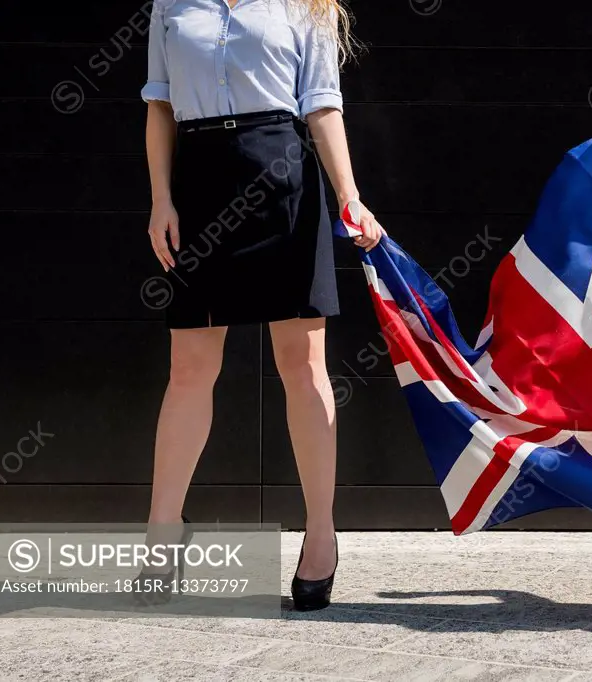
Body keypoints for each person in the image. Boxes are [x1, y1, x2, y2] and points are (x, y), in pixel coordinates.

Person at [139, 0, 379, 611]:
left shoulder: (306, 6)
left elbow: (323, 105)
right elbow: (159, 105)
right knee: (190, 369)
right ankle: (162, 536)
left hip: (284, 182)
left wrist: (350, 197)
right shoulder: (171, 7)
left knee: (303, 366)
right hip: (198, 186)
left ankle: (320, 535)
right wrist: (161, 200)